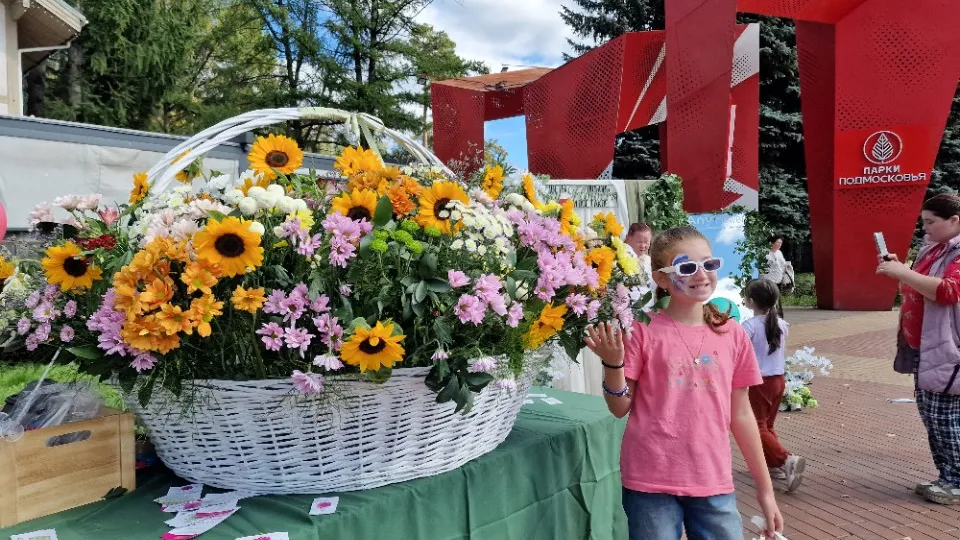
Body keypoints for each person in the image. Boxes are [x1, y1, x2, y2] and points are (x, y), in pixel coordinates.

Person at [585, 226, 784, 539]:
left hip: (712, 478)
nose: (701, 274)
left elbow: (742, 415)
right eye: (687, 267)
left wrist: (765, 490)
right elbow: (620, 407)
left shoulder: (732, 334)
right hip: (650, 480)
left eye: (709, 264)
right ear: (662, 278)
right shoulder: (642, 330)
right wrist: (613, 364)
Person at [877, 193, 960, 506]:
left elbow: (950, 291)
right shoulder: (937, 248)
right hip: (926, 346)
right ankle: (946, 476)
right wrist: (900, 267)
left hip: (948, 347)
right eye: (923, 222)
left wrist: (901, 272)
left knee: (945, 417)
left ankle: (956, 480)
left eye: (931, 222)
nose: (925, 229)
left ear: (954, 220)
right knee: (930, 414)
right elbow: (917, 282)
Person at [742, 279, 806, 492]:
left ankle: (786, 459)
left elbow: (739, 353)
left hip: (759, 382)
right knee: (767, 426)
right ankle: (774, 465)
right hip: (778, 380)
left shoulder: (749, 327)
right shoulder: (781, 324)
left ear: (750, 302)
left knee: (756, 426)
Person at [760, 235, 793, 316]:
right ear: (772, 243)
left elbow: (783, 264)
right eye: (778, 242)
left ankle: (778, 318)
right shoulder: (765, 253)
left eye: (781, 243)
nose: (780, 244)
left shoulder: (779, 253)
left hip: (778, 280)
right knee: (771, 300)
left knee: (776, 299)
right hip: (767, 281)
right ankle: (771, 318)